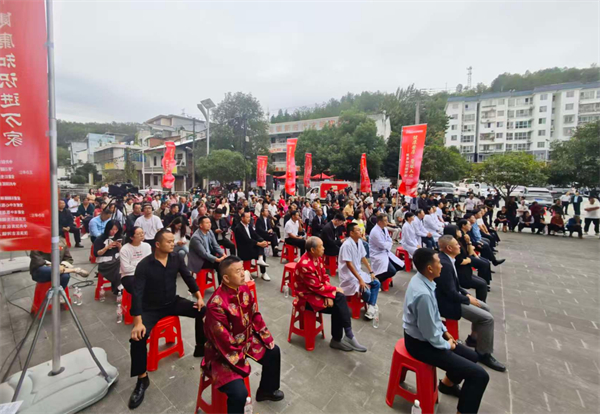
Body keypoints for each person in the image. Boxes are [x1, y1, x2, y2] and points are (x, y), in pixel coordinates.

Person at [403, 248, 489, 414]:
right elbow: (430, 334)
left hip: (426, 336)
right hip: (420, 345)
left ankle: (446, 384)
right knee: (479, 376)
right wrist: (447, 345)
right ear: (429, 268)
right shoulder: (423, 294)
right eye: (438, 263)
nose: (442, 266)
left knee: (472, 357)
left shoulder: (423, 280)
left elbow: (434, 316)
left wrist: (444, 331)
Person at [128, 229, 207, 409]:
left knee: (203, 311)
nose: (173, 244)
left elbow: (188, 277)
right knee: (137, 339)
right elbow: (137, 294)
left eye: (173, 241)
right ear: (157, 244)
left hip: (172, 302)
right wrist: (138, 322)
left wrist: (199, 296)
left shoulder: (176, 259)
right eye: (169, 241)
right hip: (150, 308)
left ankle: (200, 347)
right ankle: (142, 379)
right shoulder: (144, 266)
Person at [202, 256, 284, 413]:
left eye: (243, 269)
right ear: (226, 278)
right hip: (222, 354)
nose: (243, 274)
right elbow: (223, 342)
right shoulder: (216, 305)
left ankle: (266, 391)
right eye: (238, 271)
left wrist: (266, 336)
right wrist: (242, 363)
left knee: (273, 352)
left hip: (246, 340)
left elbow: (254, 314)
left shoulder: (244, 288)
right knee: (239, 393)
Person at [435, 235, 506, 372]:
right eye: (457, 244)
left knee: (485, 307)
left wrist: (466, 294)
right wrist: (467, 299)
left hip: (454, 297)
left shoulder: (450, 260)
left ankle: (474, 338)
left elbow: (455, 285)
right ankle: (484, 354)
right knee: (487, 319)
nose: (459, 246)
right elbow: (450, 293)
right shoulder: (445, 264)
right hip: (448, 303)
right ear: (449, 248)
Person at [294, 237, 367, 352]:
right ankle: (344, 336)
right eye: (321, 246)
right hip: (306, 298)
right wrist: (332, 291)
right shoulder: (305, 265)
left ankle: (342, 337)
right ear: (312, 250)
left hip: (318, 293)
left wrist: (329, 295)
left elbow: (324, 277)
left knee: (339, 302)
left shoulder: (317, 258)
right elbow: (316, 287)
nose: (324, 248)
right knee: (340, 302)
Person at [338, 223, 380, 319]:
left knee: (376, 283)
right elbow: (349, 265)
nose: (360, 232)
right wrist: (360, 280)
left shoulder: (359, 242)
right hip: (349, 276)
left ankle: (371, 306)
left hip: (358, 272)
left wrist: (371, 272)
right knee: (367, 292)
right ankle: (372, 304)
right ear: (351, 233)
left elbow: (363, 257)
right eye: (358, 230)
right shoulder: (347, 245)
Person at [443, 225, 488, 302]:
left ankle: (481, 303)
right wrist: (469, 260)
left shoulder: (460, 240)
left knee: (484, 282)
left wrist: (468, 242)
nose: (460, 232)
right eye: (458, 231)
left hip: (466, 270)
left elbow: (470, 253)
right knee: (482, 285)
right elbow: (459, 261)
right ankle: (480, 303)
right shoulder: (452, 245)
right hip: (462, 273)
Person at [189, 216, 227, 283]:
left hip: (208, 256)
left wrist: (223, 254)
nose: (209, 224)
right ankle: (222, 286)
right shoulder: (196, 238)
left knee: (226, 261)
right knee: (220, 264)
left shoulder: (209, 232)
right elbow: (204, 254)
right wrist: (217, 259)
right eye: (207, 223)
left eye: (210, 222)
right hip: (200, 261)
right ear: (201, 225)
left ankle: (224, 284)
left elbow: (215, 245)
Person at [233, 212, 271, 281]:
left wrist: (263, 241)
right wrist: (259, 243)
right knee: (259, 246)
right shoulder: (238, 228)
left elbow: (255, 235)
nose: (249, 219)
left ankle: (263, 272)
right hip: (244, 249)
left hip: (251, 247)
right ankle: (247, 275)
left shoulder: (249, 226)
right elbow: (247, 240)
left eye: (249, 217)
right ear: (242, 218)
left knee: (262, 248)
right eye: (247, 217)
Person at [369, 214, 404, 285]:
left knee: (401, 266)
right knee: (392, 271)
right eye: (385, 220)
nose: (387, 222)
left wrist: (388, 244)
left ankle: (383, 277)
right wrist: (389, 244)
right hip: (378, 254)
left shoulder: (384, 229)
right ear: (379, 222)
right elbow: (382, 245)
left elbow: (389, 239)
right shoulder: (375, 232)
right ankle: (376, 280)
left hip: (385, 252)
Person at [93, 220, 123, 294]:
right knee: (120, 266)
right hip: (105, 263)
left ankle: (119, 287)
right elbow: (97, 253)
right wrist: (107, 247)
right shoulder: (100, 239)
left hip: (117, 259)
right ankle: (119, 287)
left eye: (116, 229)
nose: (114, 231)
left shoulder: (120, 237)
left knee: (123, 264)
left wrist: (119, 246)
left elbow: (123, 252)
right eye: (112, 229)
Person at [119, 227, 152, 294]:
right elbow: (126, 268)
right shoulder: (125, 249)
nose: (142, 235)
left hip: (145, 274)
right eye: (138, 234)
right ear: (131, 237)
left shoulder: (147, 246)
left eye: (142, 233)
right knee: (138, 287)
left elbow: (149, 263)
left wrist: (135, 265)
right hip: (129, 275)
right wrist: (142, 267)